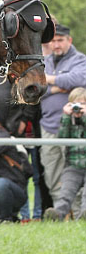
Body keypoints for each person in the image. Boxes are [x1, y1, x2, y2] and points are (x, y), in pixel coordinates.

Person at [39, 24, 86, 204]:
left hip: (75, 127)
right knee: (51, 172)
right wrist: (59, 88)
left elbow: (80, 79)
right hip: (49, 127)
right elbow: (37, 89)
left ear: (69, 40)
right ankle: (62, 213)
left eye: (60, 40)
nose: (56, 45)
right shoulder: (45, 61)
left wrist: (49, 79)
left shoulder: (80, 60)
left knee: (75, 172)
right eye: (53, 41)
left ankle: (79, 212)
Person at [43, 87, 86, 221]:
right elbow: (62, 138)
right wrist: (67, 117)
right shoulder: (67, 119)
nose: (78, 108)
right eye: (75, 104)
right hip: (73, 164)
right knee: (65, 192)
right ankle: (57, 215)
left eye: (82, 104)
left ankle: (84, 215)